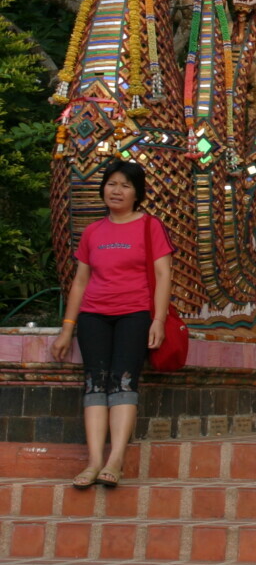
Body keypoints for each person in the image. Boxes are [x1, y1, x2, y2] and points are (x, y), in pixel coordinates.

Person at [51, 159, 173, 489]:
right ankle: (93, 461)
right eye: (111, 184)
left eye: (125, 185)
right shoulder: (93, 231)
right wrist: (67, 328)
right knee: (94, 383)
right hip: (93, 316)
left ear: (137, 193)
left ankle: (115, 459)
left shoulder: (150, 227)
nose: (116, 190)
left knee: (123, 382)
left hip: (134, 315)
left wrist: (158, 320)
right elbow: (79, 282)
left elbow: (163, 276)